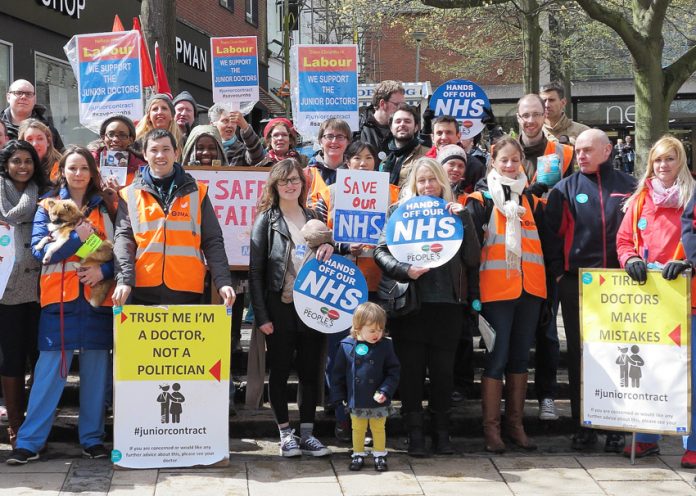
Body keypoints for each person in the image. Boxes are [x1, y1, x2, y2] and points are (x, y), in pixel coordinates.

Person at [6, 146, 115, 464]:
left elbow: (112, 252)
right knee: (49, 374)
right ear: (61, 171)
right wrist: (77, 239)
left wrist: (102, 270)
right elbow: (43, 253)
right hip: (58, 302)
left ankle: (92, 439)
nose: (78, 174)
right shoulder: (47, 207)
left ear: (92, 172)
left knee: (96, 375)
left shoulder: (104, 206)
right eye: (72, 168)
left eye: (84, 168)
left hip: (96, 301)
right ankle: (29, 442)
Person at [374, 157, 480, 456]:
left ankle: (442, 433)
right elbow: (380, 251)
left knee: (444, 372)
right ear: (413, 184)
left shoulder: (457, 211)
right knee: (411, 373)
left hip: (448, 305)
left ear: (443, 182)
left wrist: (465, 219)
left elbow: (473, 259)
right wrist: (404, 270)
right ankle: (415, 433)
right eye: (421, 180)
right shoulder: (399, 212)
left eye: (433, 179)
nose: (427, 185)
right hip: (410, 306)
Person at [546, 128, 636, 452]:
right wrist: (559, 275)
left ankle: (615, 428)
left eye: (587, 150)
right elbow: (551, 236)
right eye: (578, 150)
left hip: (621, 284)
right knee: (581, 358)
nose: (581, 155)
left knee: (619, 356)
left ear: (607, 150)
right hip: (578, 284)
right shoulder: (564, 189)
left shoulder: (630, 187)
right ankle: (583, 425)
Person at [467, 136, 555, 453]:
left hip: (530, 291)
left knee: (519, 359)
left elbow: (546, 248)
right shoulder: (479, 200)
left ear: (522, 163)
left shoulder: (532, 202)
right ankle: (491, 429)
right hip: (495, 293)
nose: (509, 165)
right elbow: (471, 252)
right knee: (497, 358)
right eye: (503, 160)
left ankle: (515, 425)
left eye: (514, 160)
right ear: (493, 162)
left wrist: (548, 295)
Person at [616, 136, 695, 463]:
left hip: (688, 298)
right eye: (658, 160)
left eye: (670, 159)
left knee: (690, 374)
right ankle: (647, 436)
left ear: (681, 162)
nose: (663, 166)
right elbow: (623, 241)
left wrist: (690, 260)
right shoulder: (639, 200)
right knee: (650, 370)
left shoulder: (693, 195)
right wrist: (630, 259)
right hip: (648, 300)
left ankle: (693, 445)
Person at [249, 158, 334, 457]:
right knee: (281, 371)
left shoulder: (313, 215)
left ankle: (308, 433)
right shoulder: (266, 220)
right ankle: (285, 433)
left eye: (295, 179)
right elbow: (255, 272)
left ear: (303, 182)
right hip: (279, 307)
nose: (290, 185)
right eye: (283, 180)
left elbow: (328, 251)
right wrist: (261, 316)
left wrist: (330, 245)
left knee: (311, 371)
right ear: (274, 185)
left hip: (313, 306)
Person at [111, 129, 235, 308]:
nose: (160, 155)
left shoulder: (197, 192)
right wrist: (123, 280)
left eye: (166, 149)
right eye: (154, 150)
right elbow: (123, 241)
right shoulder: (129, 194)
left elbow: (212, 240)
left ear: (176, 153)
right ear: (145, 154)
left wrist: (222, 282)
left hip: (187, 290)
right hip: (142, 289)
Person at [516, 93, 575, 422]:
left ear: (546, 114)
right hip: (513, 256)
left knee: (548, 333)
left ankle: (548, 396)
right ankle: (516, 401)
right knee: (517, 335)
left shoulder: (564, 154)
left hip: (549, 254)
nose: (530, 120)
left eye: (536, 114)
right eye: (525, 115)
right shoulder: (505, 153)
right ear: (518, 119)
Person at [0, 140, 46, 448]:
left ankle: (38, 421)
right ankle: (15, 424)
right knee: (11, 357)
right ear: (5, 165)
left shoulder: (45, 193)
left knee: (40, 356)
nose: (23, 166)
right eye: (16, 161)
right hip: (5, 291)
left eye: (28, 161)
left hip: (42, 288)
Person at [330, 302, 400, 472]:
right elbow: (337, 375)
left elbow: (393, 371)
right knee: (358, 428)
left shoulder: (385, 345)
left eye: (380, 329)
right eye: (372, 330)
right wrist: (339, 398)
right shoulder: (346, 346)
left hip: (378, 397)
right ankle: (358, 453)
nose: (377, 334)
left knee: (378, 428)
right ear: (358, 327)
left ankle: (379, 455)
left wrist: (385, 390)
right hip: (356, 398)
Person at [306, 118, 351, 222]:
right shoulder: (306, 174)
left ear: (347, 142)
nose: (334, 141)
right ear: (320, 141)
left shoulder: (356, 174)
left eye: (340, 137)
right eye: (329, 136)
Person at [2, 79, 64, 150]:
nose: (24, 97)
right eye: (18, 93)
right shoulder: (1, 128)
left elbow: (59, 158)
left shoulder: (48, 130)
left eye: (28, 94)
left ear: (34, 99)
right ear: (8, 97)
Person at [89, 115, 146, 189]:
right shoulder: (88, 162)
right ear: (103, 138)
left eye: (122, 135)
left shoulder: (142, 169)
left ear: (131, 140)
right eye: (111, 134)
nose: (115, 139)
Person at [380, 104, 429, 188]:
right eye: (398, 121)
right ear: (391, 128)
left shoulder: (428, 155)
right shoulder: (385, 162)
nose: (402, 124)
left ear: (416, 127)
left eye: (407, 121)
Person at [359, 80, 405, 153]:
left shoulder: (403, 128)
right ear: (382, 104)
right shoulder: (360, 127)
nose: (401, 109)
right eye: (396, 104)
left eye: (402, 105)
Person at [134, 94, 183, 159]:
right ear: (148, 117)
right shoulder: (137, 144)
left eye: (164, 108)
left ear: (172, 116)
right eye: (155, 109)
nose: (159, 112)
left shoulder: (182, 142)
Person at [18, 118, 62, 184]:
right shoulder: (15, 167)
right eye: (29, 139)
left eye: (40, 139)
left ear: (48, 142)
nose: (35, 144)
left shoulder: (62, 166)